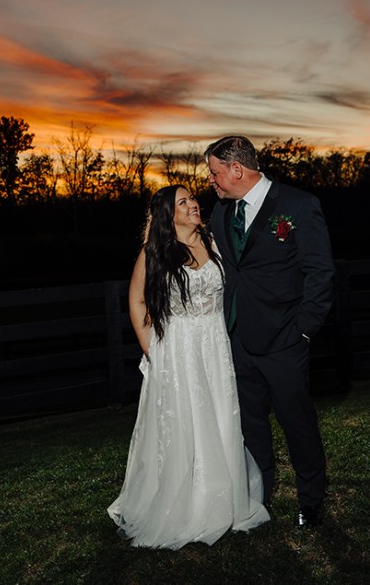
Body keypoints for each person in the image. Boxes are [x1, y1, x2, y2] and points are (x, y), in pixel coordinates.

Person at [107, 185, 270, 549]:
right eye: (183, 202)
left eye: (192, 199)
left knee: (220, 417)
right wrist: (152, 349)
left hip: (215, 346)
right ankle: (185, 505)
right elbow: (136, 301)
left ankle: (223, 498)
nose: (194, 204)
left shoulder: (213, 243)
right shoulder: (154, 253)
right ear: (170, 215)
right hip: (177, 350)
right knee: (184, 423)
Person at [204, 136, 335, 529]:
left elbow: (320, 272)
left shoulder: (298, 205)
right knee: (251, 426)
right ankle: (258, 496)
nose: (211, 180)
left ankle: (311, 501)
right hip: (237, 340)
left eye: (214, 172)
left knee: (297, 423)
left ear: (236, 169)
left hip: (284, 341)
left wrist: (304, 330)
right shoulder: (220, 212)